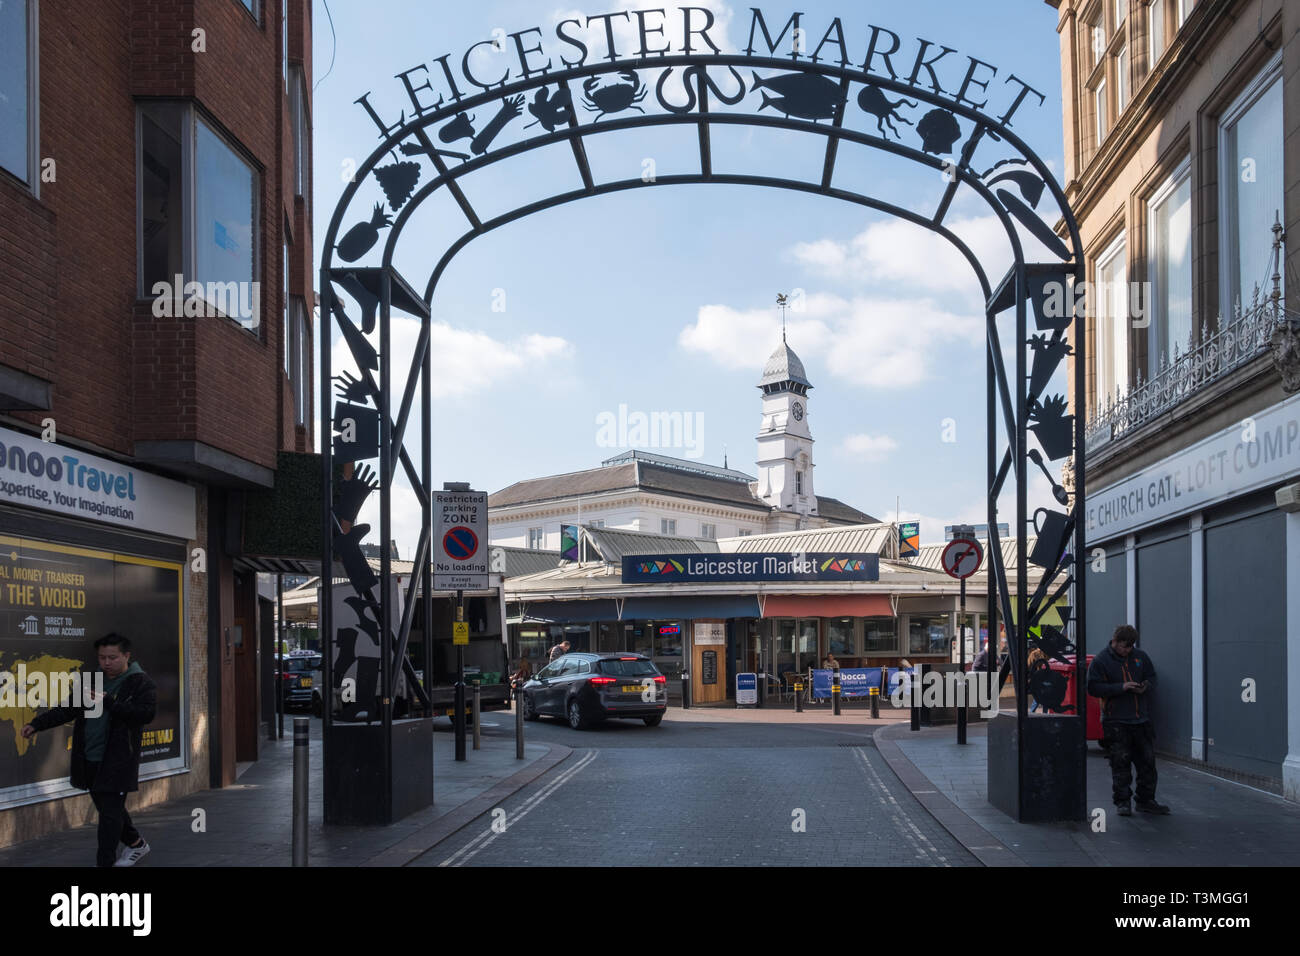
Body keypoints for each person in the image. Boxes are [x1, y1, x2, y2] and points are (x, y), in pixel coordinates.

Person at [21, 633, 158, 867]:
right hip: (89, 757)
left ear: (126, 656)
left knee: (109, 816)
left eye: (112, 657)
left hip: (117, 759)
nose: (106, 662)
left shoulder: (140, 682)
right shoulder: (92, 679)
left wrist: (110, 703)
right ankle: (136, 844)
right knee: (109, 808)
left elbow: (145, 714)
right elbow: (68, 709)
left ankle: (104, 862)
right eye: (102, 657)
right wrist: (37, 724)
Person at [1087, 624, 1169, 817]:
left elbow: (1152, 677)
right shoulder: (1101, 661)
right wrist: (1121, 687)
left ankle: (1146, 800)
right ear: (1114, 641)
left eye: (1131, 646)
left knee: (1147, 762)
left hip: (1140, 719)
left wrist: (1145, 686)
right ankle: (1122, 802)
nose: (1128, 650)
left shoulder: (1140, 657)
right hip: (1115, 721)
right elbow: (1093, 688)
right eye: (1124, 646)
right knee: (1120, 763)